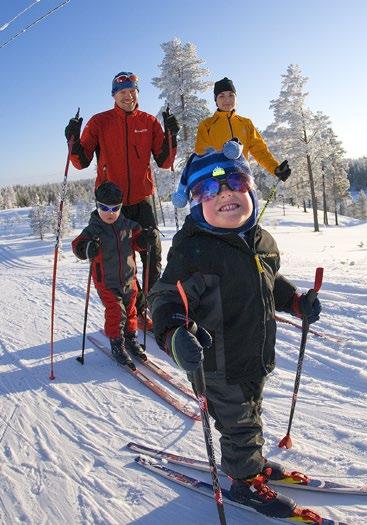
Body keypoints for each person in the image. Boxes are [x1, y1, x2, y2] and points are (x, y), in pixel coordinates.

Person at [148, 141, 321, 518]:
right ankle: (244, 481)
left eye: (236, 182)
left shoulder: (261, 241)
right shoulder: (194, 251)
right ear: (195, 203)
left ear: (251, 192)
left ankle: (251, 463)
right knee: (239, 423)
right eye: (209, 189)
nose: (225, 192)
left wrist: (296, 301)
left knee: (251, 411)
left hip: (254, 354)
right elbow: (164, 299)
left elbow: (270, 281)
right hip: (215, 364)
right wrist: (175, 333)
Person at [64, 71, 180, 329]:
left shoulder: (149, 122)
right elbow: (81, 162)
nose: (128, 96)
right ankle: (136, 311)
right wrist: (72, 140)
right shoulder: (99, 122)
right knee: (122, 263)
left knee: (151, 254)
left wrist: (172, 136)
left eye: (132, 91)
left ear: (137, 93)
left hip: (143, 200)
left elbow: (165, 161)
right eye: (122, 92)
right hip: (113, 205)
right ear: (114, 95)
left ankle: (153, 306)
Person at [72, 182, 155, 368]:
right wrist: (86, 248)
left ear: (120, 207)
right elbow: (77, 245)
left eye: (115, 208)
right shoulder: (93, 229)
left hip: (128, 279)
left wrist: (144, 240)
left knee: (131, 309)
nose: (110, 213)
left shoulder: (128, 225)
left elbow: (137, 242)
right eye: (104, 208)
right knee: (116, 312)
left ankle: (131, 338)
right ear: (97, 205)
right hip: (106, 281)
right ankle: (116, 343)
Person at [194, 77, 291, 183]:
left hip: (242, 180)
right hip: (217, 182)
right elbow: (203, 155)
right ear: (215, 100)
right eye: (221, 96)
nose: (227, 100)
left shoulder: (246, 123)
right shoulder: (207, 125)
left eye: (231, 95)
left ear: (236, 98)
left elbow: (260, 151)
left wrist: (275, 168)